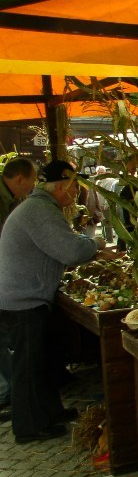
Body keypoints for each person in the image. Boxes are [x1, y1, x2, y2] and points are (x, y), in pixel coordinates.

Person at [0, 160, 111, 443]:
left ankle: (49, 413)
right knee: (28, 366)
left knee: (44, 360)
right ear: (61, 187)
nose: (76, 193)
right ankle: (28, 427)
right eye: (74, 187)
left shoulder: (40, 206)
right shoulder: (39, 210)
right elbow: (70, 250)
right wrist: (96, 245)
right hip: (22, 299)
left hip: (26, 295)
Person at [0, 157, 37, 422]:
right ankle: (6, 393)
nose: (33, 187)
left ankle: (8, 391)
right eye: (32, 181)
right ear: (20, 179)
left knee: (2, 339)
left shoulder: (9, 199)